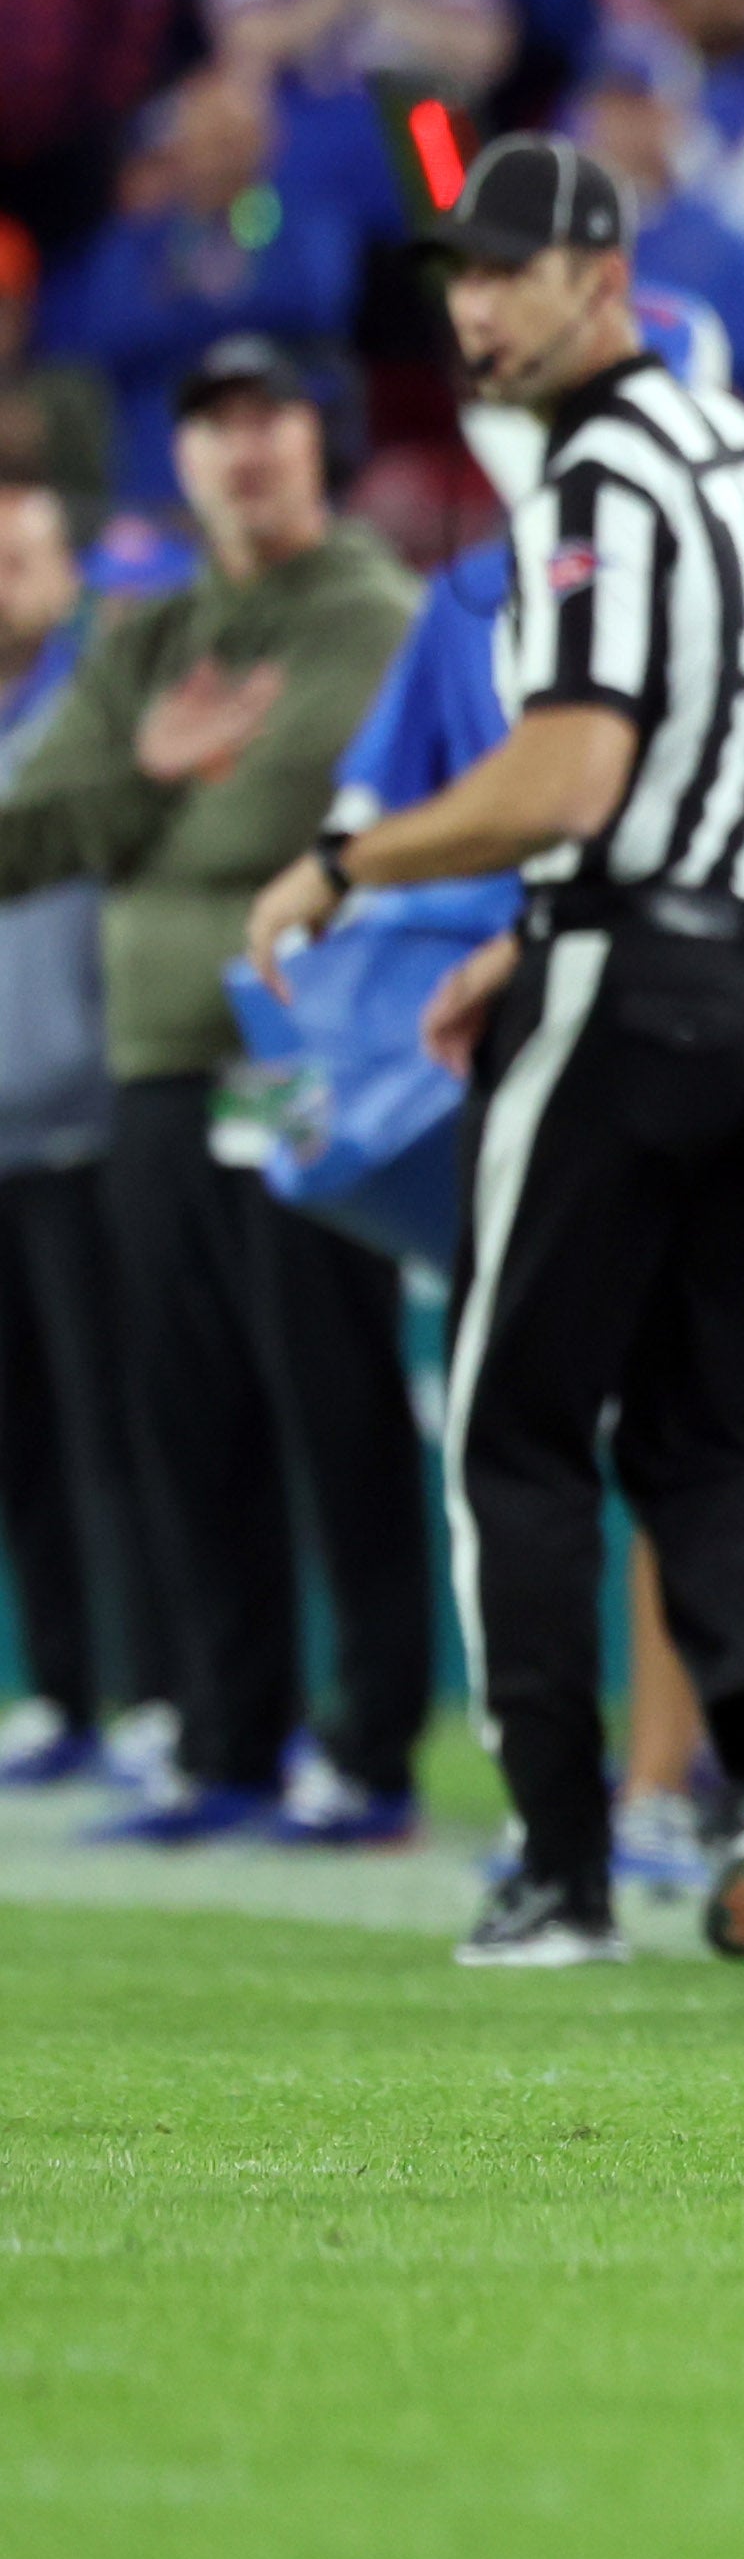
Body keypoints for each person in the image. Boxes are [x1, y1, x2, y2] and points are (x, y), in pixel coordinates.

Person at [242, 138, 744, 1967]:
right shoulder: (741, 464)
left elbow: (582, 770)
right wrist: (526, 929)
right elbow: (741, 752)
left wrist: (352, 859)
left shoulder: (600, 475)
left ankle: (557, 1864)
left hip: (635, 992)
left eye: (512, 270)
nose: (476, 304)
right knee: (700, 1424)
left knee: (515, 1424)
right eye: (460, 272)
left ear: (605, 273)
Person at [0, 337, 425, 1849]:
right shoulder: (149, 628)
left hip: (301, 1059)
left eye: (271, 420)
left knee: (334, 1398)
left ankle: (369, 1746)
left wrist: (132, 801)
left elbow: (283, 802)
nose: (243, 449)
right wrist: (155, 783)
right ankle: (225, 1733)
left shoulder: (366, 611)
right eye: (212, 423)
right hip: (157, 1071)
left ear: (319, 441)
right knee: (190, 1417)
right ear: (176, 456)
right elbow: (17, 836)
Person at [0, 452, 146, 1787]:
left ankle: (154, 1688)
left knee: (125, 1425)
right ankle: (60, 1692)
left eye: (20, 560)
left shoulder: (102, 714)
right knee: (22, 1442)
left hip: (93, 1117)